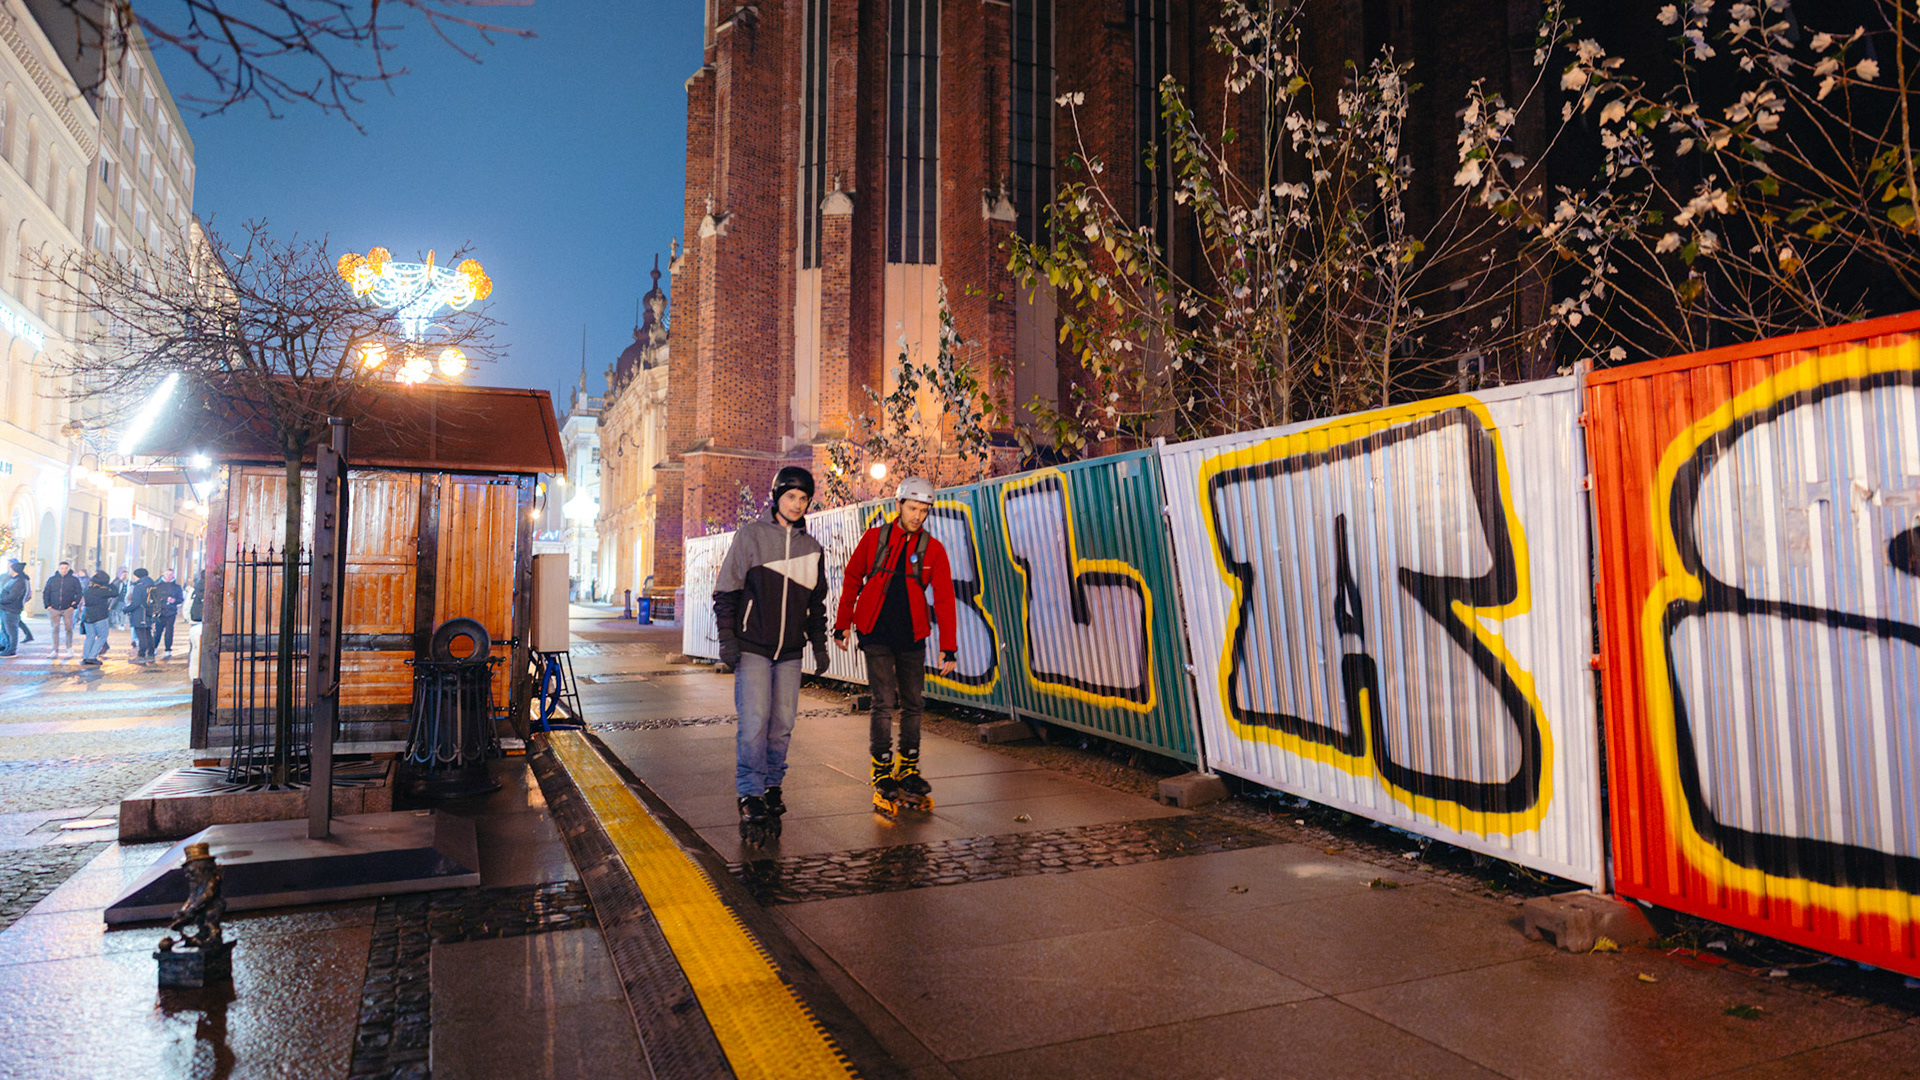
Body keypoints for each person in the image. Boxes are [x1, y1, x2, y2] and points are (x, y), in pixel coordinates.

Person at [713, 466, 830, 845]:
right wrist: (727, 639)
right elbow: (726, 591)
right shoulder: (751, 536)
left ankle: (772, 785)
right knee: (754, 722)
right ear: (777, 497)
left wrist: (819, 645)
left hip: (791, 651)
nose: (797, 504)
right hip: (753, 647)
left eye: (803, 498)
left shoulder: (812, 549)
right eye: (790, 496)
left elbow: (816, 604)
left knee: (782, 724)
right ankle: (750, 792)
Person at [832, 477, 958, 811]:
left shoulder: (933, 549)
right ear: (898, 505)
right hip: (874, 631)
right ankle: (882, 770)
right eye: (912, 508)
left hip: (912, 634)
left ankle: (908, 769)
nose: (918, 516)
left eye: (924, 510)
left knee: (914, 702)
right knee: (884, 701)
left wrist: (949, 647)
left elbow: (945, 598)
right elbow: (852, 578)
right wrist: (842, 624)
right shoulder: (874, 539)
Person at [42, 561, 83, 658]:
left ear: (68, 569)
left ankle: (69, 648)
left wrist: (74, 605)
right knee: (55, 629)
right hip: (54, 608)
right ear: (58, 569)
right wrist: (48, 605)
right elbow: (46, 592)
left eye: (66, 568)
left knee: (69, 628)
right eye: (62, 568)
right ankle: (55, 650)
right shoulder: (52, 579)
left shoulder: (74, 580)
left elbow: (79, 593)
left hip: (68, 608)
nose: (64, 570)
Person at [80, 571, 116, 665]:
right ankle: (92, 657)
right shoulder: (102, 591)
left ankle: (86, 657)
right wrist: (110, 584)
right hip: (100, 616)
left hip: (87, 615)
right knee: (102, 636)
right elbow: (115, 593)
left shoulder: (87, 589)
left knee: (90, 636)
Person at [151, 569, 185, 657]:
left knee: (169, 631)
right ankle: (154, 647)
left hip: (171, 612)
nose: (169, 577)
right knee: (158, 631)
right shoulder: (157, 586)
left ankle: (168, 649)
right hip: (160, 612)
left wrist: (175, 600)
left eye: (171, 575)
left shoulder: (177, 587)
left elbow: (181, 599)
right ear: (164, 575)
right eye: (167, 575)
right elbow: (153, 598)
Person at [124, 568, 156, 661]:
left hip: (140, 613)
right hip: (149, 613)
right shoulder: (152, 585)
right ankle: (151, 654)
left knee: (141, 635)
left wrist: (126, 609)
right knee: (148, 634)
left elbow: (135, 603)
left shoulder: (139, 586)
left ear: (137, 576)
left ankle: (141, 655)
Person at [0, 560, 27, 657]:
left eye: (11, 568)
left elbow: (12, 596)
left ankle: (12, 649)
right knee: (6, 630)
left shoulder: (19, 582)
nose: (9, 569)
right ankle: (7, 648)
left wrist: (1, 600)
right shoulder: (14, 580)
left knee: (11, 631)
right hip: (6, 608)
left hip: (11, 609)